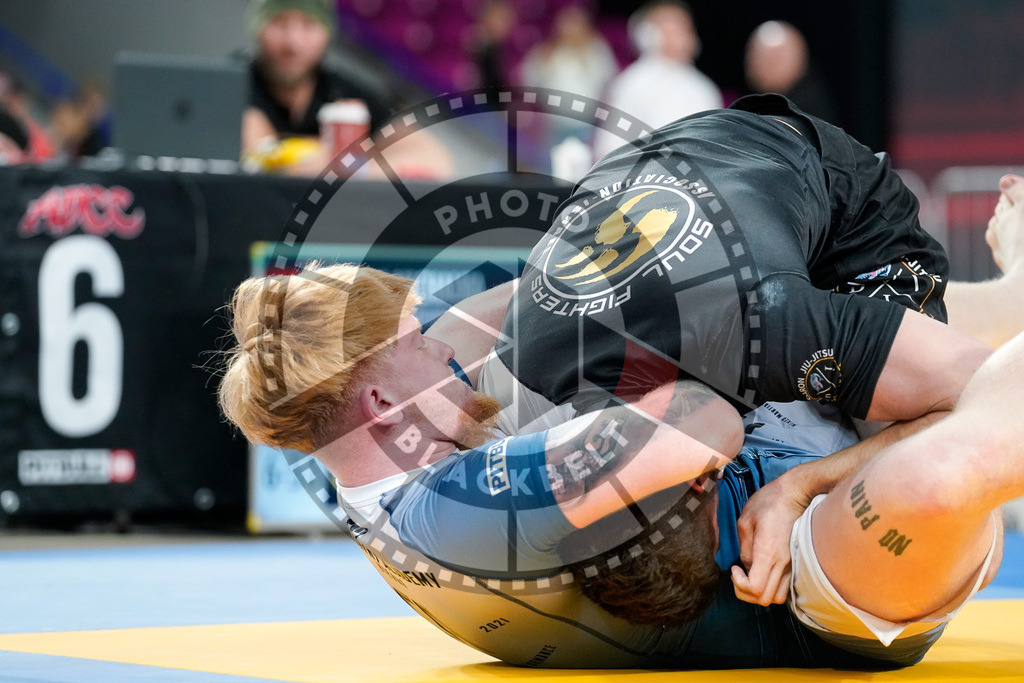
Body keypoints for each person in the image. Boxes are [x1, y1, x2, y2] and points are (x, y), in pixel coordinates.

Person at [490, 94, 992, 442]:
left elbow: (982, 386)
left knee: (899, 440)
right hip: (662, 158)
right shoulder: (521, 357)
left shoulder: (765, 320)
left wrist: (798, 488)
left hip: (833, 196)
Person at [243, 0, 393, 175]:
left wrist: (355, 164)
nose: (293, 43)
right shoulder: (229, 86)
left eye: (309, 24)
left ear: (327, 34)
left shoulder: (343, 91)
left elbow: (425, 154)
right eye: (279, 22)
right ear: (257, 29)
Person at [593, 0, 722, 159]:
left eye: (686, 29)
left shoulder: (703, 87)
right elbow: (610, 147)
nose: (685, 38)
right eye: (674, 30)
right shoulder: (632, 84)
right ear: (648, 35)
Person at [520, 3, 618, 146]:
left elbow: (609, 78)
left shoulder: (596, 48)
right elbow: (528, 79)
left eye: (575, 23)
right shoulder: (546, 51)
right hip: (556, 123)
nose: (570, 28)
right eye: (566, 23)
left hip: (587, 122)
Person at [745, 21, 838, 124]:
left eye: (774, 60)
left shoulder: (810, 113)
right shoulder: (744, 103)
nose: (761, 67)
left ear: (799, 60)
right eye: (757, 58)